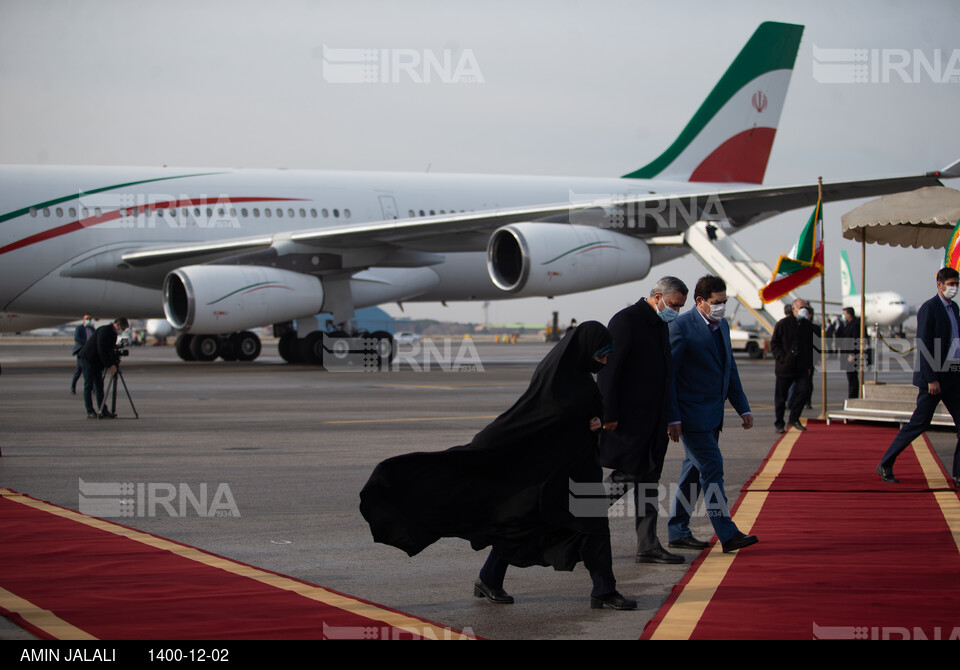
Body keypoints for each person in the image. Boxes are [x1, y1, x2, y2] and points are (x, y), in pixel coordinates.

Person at [359, 321, 636, 610]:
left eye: (606, 357)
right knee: (522, 524)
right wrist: (481, 448)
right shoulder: (555, 378)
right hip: (544, 473)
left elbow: (590, 409)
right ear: (584, 350)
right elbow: (534, 419)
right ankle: (490, 577)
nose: (602, 363)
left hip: (578, 469)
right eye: (600, 356)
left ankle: (604, 588)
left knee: (594, 526)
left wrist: (594, 421)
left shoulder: (581, 377)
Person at [598, 276, 688, 565]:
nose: (676, 311)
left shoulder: (660, 324)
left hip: (655, 422)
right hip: (629, 421)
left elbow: (665, 376)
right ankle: (578, 521)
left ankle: (648, 545)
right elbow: (608, 371)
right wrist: (608, 413)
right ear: (658, 296)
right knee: (626, 476)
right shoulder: (627, 320)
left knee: (649, 480)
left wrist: (671, 418)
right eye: (674, 304)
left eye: (680, 307)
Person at [665, 275, 758, 554]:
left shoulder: (723, 326)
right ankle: (727, 533)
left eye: (724, 302)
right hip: (690, 417)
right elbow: (669, 376)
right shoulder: (681, 326)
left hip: (713, 415)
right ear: (700, 302)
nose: (721, 308)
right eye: (717, 303)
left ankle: (677, 530)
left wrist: (742, 407)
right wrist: (673, 417)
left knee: (693, 472)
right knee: (713, 468)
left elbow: (730, 369)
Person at [877, 268, 960, 487]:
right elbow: (925, 345)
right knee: (919, 424)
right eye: (951, 283)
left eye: (957, 284)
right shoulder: (929, 308)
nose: (954, 288)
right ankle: (886, 462)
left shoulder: (955, 309)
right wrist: (931, 378)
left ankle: (958, 473)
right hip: (934, 379)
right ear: (939, 285)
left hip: (953, 375)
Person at [771, 299, 814, 433]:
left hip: (801, 367)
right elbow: (774, 344)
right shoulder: (783, 324)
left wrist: (809, 365)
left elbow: (809, 346)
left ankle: (794, 418)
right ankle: (779, 423)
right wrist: (782, 358)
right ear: (794, 309)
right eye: (801, 307)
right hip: (785, 367)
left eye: (805, 307)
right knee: (781, 397)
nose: (804, 310)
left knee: (804, 390)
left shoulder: (807, 325)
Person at [77, 317, 128, 419]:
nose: (121, 331)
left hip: (96, 362)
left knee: (99, 386)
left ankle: (103, 409)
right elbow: (102, 350)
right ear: (117, 324)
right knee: (89, 385)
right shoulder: (104, 331)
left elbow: (109, 351)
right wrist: (110, 365)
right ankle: (90, 411)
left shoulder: (113, 335)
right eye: (122, 328)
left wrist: (113, 361)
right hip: (88, 358)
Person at [70, 314, 95, 395]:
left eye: (89, 319)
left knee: (92, 371)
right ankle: (73, 387)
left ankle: (94, 389)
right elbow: (77, 338)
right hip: (81, 351)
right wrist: (87, 343)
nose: (88, 320)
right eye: (86, 318)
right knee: (78, 371)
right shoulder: (79, 328)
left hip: (90, 352)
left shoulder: (92, 329)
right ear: (83, 320)